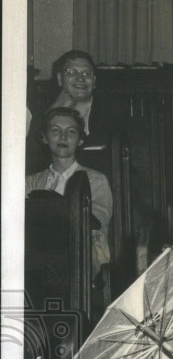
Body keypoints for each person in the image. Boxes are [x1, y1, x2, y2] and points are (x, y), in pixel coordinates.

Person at [25, 106, 113, 272]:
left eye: (71, 132)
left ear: (80, 140)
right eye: (55, 130)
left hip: (81, 260)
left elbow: (97, 222)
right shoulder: (30, 182)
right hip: (37, 258)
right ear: (44, 138)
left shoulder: (95, 180)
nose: (63, 136)